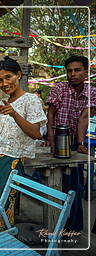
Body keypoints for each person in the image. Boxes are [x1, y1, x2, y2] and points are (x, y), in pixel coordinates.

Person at [0, 56, 47, 240]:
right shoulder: (1, 103)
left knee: (0, 207)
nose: (4, 83)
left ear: (19, 75)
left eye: (8, 77)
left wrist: (15, 114)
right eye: (0, 79)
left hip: (10, 161)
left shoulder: (30, 100)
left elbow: (37, 133)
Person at [46, 55, 96, 231]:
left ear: (86, 72)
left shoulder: (92, 92)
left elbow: (84, 118)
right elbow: (51, 113)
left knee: (75, 185)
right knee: (58, 182)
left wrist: (81, 142)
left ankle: (72, 226)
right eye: (69, 71)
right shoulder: (60, 88)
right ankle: (56, 224)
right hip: (57, 140)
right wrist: (51, 137)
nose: (73, 74)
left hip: (75, 143)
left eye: (77, 70)